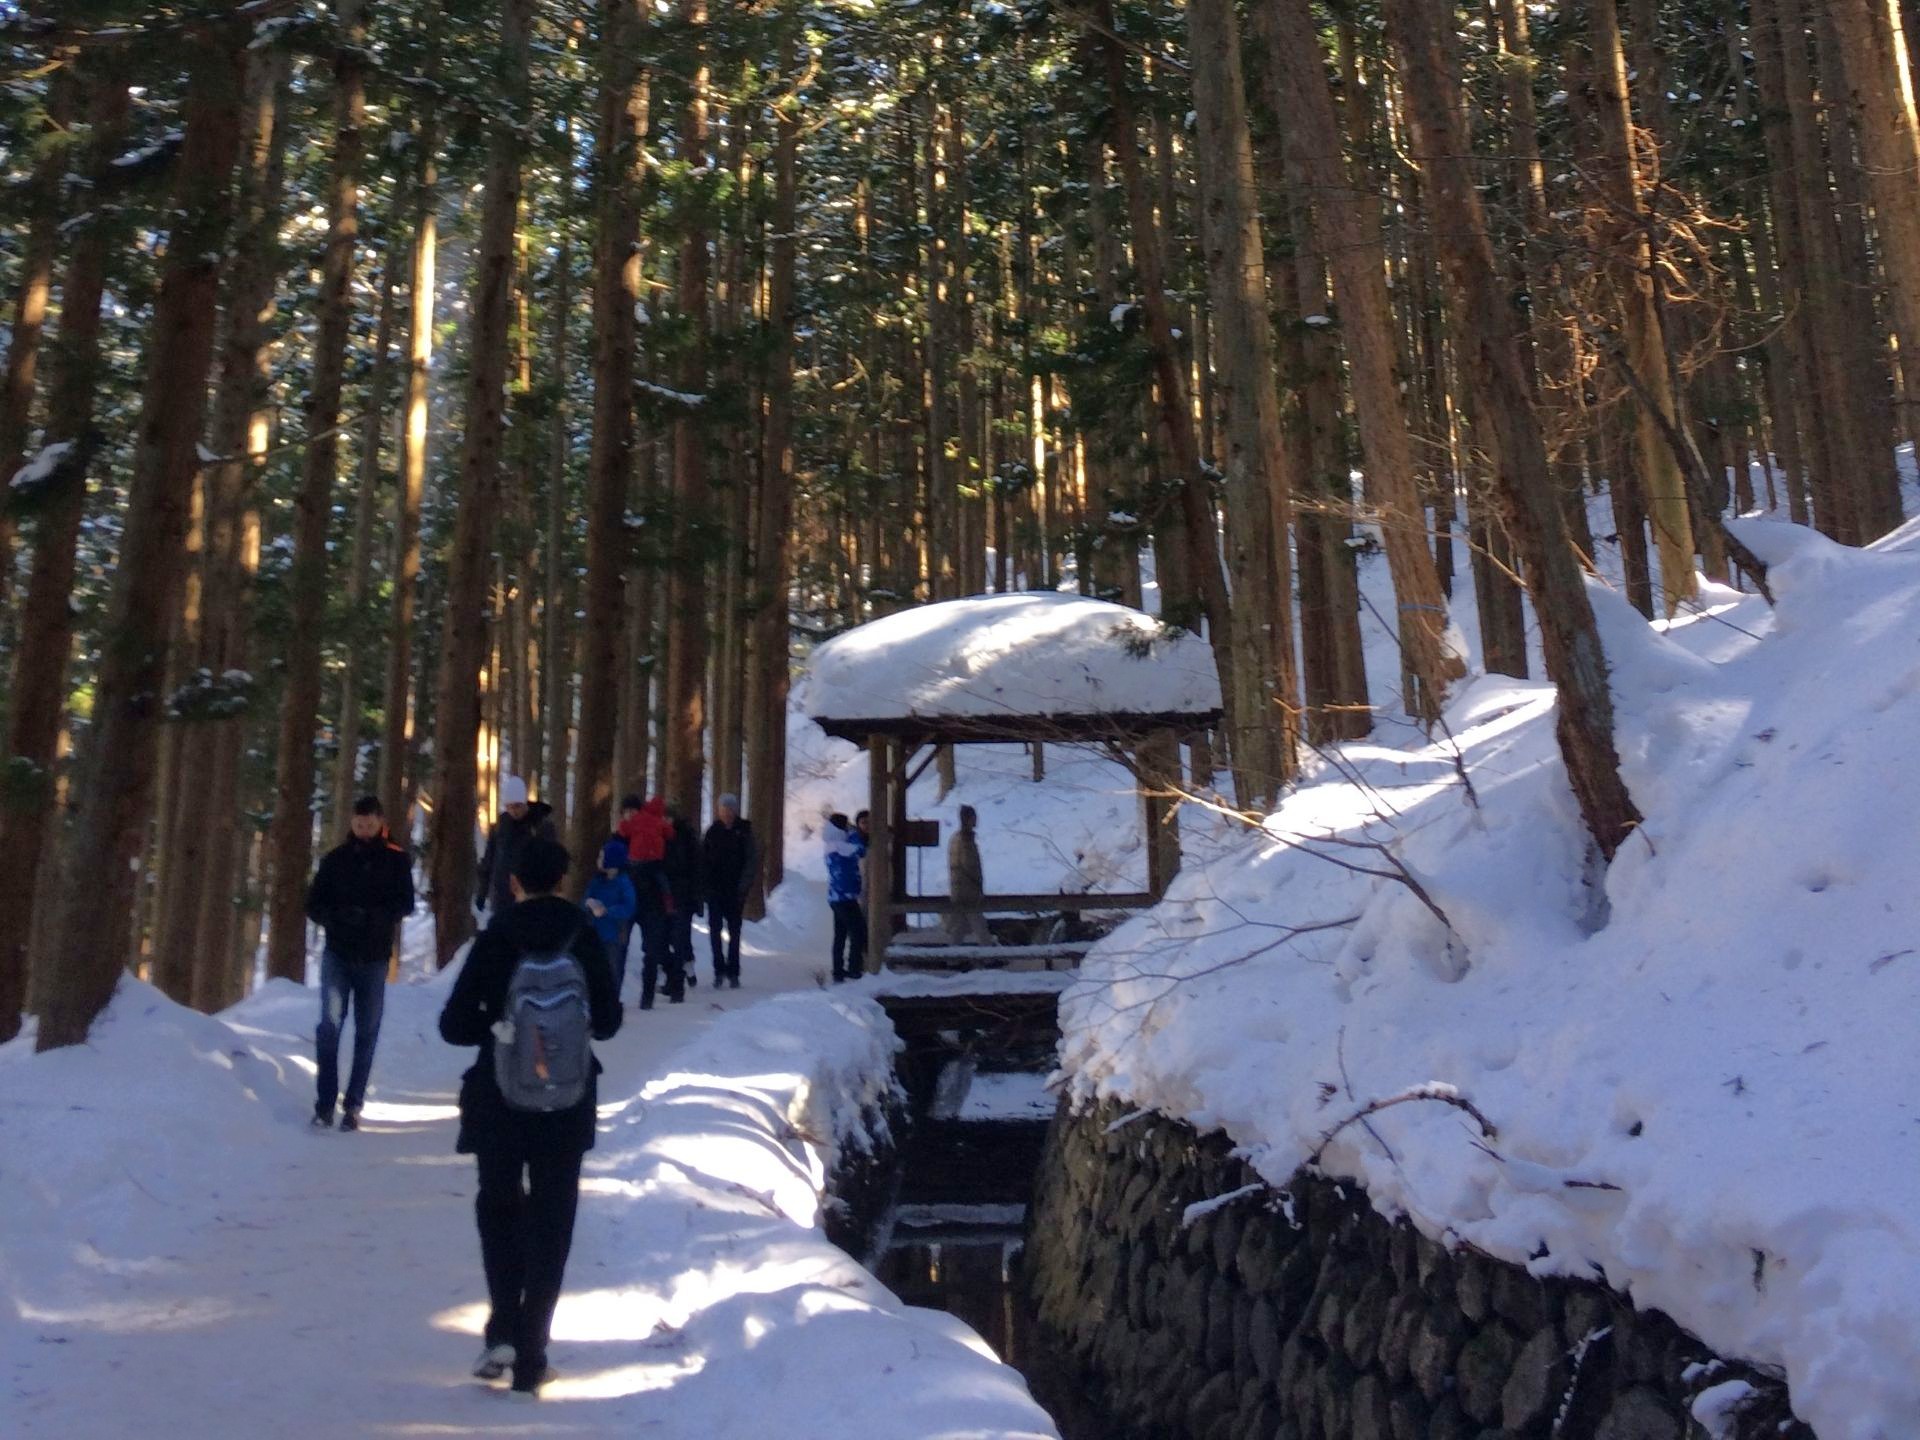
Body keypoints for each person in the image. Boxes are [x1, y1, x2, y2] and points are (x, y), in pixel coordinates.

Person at [438, 838, 621, 1397]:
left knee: (499, 1207)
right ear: (563, 881)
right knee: (552, 1216)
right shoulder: (582, 935)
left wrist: (499, 1027)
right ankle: (534, 1351)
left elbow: (453, 1027)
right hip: (566, 1104)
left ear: (514, 882)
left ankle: (502, 1329)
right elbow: (609, 1021)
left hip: (498, 1101)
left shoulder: (497, 938)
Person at [305, 795, 415, 1131]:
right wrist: (336, 918)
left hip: (374, 957)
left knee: (367, 1030)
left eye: (369, 823)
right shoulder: (335, 860)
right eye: (358, 823)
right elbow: (313, 904)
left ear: (381, 822)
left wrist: (375, 918)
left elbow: (406, 904)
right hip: (338, 953)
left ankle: (353, 1104)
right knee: (329, 1026)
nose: (363, 828)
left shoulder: (396, 860)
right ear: (351, 823)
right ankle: (325, 1103)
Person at [619, 795, 681, 1008]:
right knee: (653, 949)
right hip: (653, 893)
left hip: (637, 889)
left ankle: (628, 995)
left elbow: (623, 830)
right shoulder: (659, 824)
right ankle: (648, 997)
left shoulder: (633, 827)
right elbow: (670, 834)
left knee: (635, 947)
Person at [477, 775, 556, 918]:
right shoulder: (500, 826)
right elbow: (489, 860)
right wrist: (482, 891)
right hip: (501, 897)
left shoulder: (540, 826)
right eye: (509, 807)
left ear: (524, 802)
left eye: (517, 806)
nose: (514, 811)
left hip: (530, 898)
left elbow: (551, 862)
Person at [701, 793, 757, 989]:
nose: (726, 813)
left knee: (734, 932)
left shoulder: (744, 831)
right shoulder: (712, 832)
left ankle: (734, 971)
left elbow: (751, 860)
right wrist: (705, 887)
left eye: (729, 809)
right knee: (714, 931)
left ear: (735, 810)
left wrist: (744, 886)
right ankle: (718, 969)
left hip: (735, 890)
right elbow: (703, 860)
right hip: (715, 890)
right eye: (723, 809)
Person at [584, 838, 637, 997]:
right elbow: (586, 899)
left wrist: (608, 911)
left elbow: (628, 907)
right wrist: (589, 904)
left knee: (613, 969)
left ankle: (612, 1000)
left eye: (602, 857)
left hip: (615, 934)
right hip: (595, 932)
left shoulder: (623, 882)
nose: (598, 861)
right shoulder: (597, 881)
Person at [662, 803, 704, 992]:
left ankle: (678, 978)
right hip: (665, 895)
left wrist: (696, 896)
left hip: (684, 895)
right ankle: (684, 969)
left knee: (680, 936)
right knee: (670, 937)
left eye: (668, 818)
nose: (666, 822)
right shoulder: (659, 837)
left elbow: (696, 868)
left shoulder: (686, 837)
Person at [825, 811, 868, 982]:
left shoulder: (832, 842)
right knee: (858, 931)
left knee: (840, 934)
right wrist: (856, 834)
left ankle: (838, 970)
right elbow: (860, 851)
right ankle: (854, 968)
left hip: (837, 896)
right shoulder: (841, 845)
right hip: (845, 897)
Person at [946, 804, 992, 945]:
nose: (976, 819)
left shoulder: (955, 839)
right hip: (968, 890)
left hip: (960, 889)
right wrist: (977, 883)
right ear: (968, 819)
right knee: (979, 924)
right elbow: (969, 864)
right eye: (974, 817)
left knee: (960, 926)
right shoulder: (966, 841)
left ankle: (953, 958)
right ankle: (989, 955)